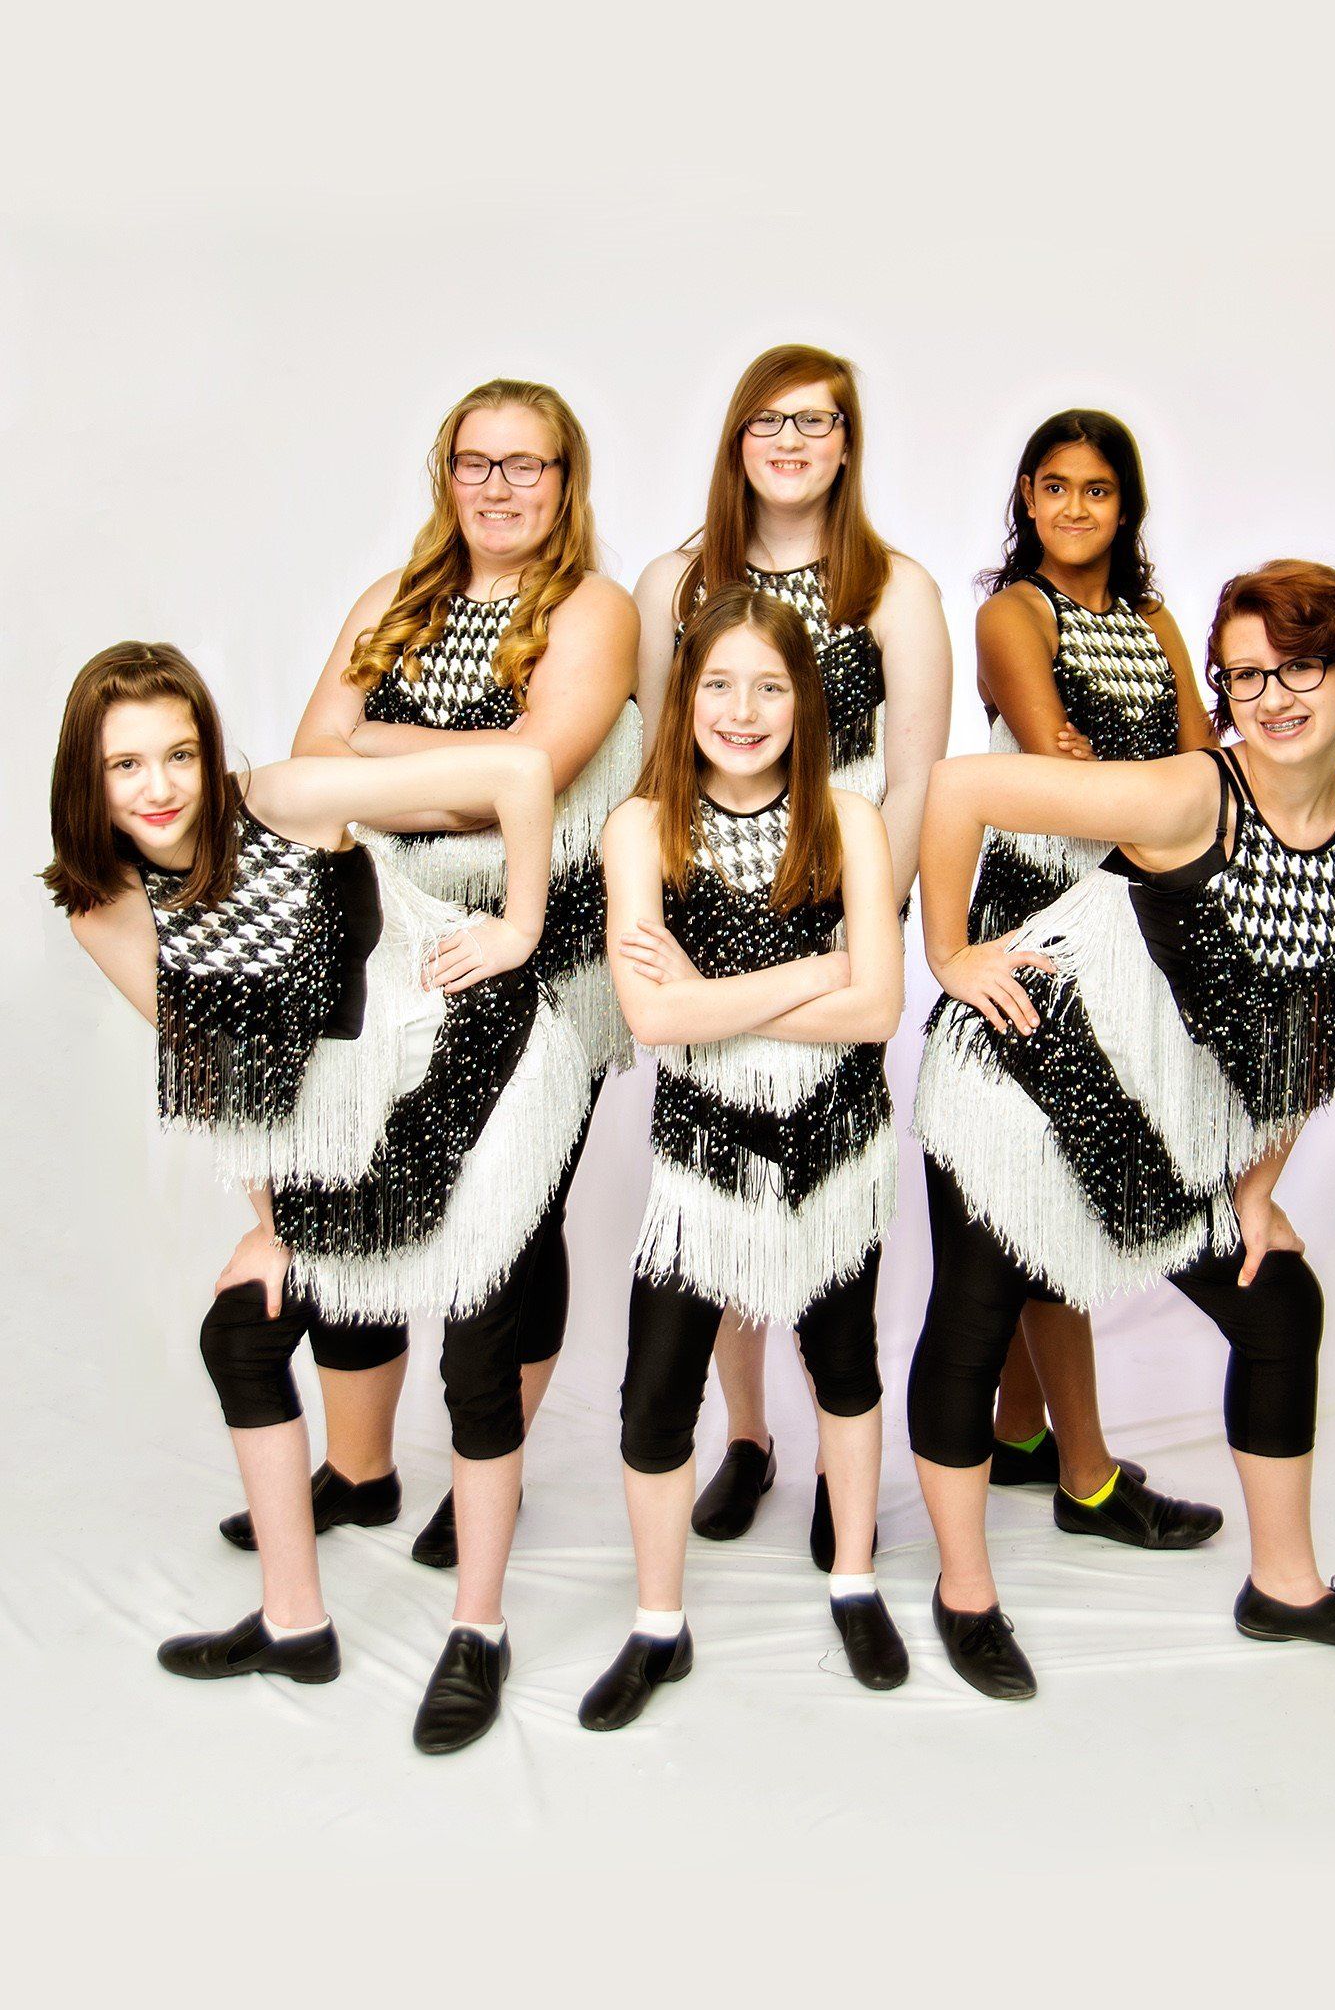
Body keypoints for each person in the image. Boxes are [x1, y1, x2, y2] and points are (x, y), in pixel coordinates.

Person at [48, 641, 589, 1753]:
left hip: (484, 1065)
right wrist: (276, 1229)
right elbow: (223, 1070)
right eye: (126, 767)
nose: (161, 788)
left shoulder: (287, 802)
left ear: (210, 752)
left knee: (477, 1351)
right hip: (360, 1119)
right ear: (86, 783)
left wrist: (521, 927)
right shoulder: (105, 906)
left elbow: (522, 776)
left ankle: (476, 1631)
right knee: (240, 1336)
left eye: (180, 754)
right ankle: (296, 1623)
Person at [910, 560, 1335, 1698]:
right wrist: (950, 957)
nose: (1273, 697)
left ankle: (1283, 1585)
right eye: (1243, 676)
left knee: (1279, 1304)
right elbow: (955, 791)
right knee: (976, 1315)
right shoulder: (1189, 793)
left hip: (1152, 1125)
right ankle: (964, 1594)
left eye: (1299, 666)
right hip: (1023, 1078)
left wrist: (1255, 1188)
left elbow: (1311, 1036)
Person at [218, 376, 640, 1570]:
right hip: (394, 936)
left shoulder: (594, 610)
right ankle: (356, 1473)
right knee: (355, 1174)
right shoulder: (394, 598)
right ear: (447, 475)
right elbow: (308, 769)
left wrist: (383, 754)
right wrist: (463, 774)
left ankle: (481, 1472)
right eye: (477, 463)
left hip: (534, 946)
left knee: (509, 1221)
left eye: (527, 465)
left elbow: (538, 773)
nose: (499, 487)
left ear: (567, 481)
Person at [635, 344, 950, 1565]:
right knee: (722, 1186)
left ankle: (840, 1464)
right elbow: (663, 757)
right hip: (712, 907)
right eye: (768, 419)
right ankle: (750, 1437)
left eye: (816, 422)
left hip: (843, 889)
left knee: (826, 1194)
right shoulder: (678, 576)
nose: (791, 441)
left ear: (847, 442)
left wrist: (864, 917)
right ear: (735, 436)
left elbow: (918, 768)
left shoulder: (895, 588)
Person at [579, 585, 909, 1730]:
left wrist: (715, 995)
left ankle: (856, 1577)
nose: (744, 707)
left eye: (771, 685)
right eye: (719, 682)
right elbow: (653, 1023)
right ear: (686, 696)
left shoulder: (849, 817)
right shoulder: (640, 827)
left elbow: (879, 1011)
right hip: (703, 1159)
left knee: (847, 1364)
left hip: (833, 1146)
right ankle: (658, 1625)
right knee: (650, 1398)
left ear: (805, 701)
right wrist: (815, 971)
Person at [968, 408, 1222, 1549]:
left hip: (1128, 919)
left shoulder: (1158, 616)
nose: (1075, 509)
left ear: (1126, 507)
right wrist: (1149, 768)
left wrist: (1137, 764)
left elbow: (1208, 759)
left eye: (1098, 491)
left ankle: (1020, 1431)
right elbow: (1051, 753)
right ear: (1027, 497)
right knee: (1051, 1187)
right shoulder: (1011, 613)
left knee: (1063, 1178)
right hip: (1034, 923)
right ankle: (1088, 1476)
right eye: (1055, 487)